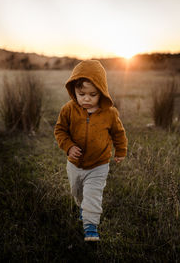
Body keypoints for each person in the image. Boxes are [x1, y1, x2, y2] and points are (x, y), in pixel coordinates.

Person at [54, 60, 128, 241]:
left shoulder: (109, 113)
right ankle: (82, 207)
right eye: (81, 94)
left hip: (98, 164)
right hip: (75, 165)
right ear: (74, 91)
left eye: (92, 94)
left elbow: (119, 133)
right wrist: (69, 146)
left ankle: (91, 227)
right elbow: (60, 130)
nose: (86, 98)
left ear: (101, 92)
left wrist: (120, 151)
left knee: (93, 193)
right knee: (77, 193)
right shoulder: (68, 110)